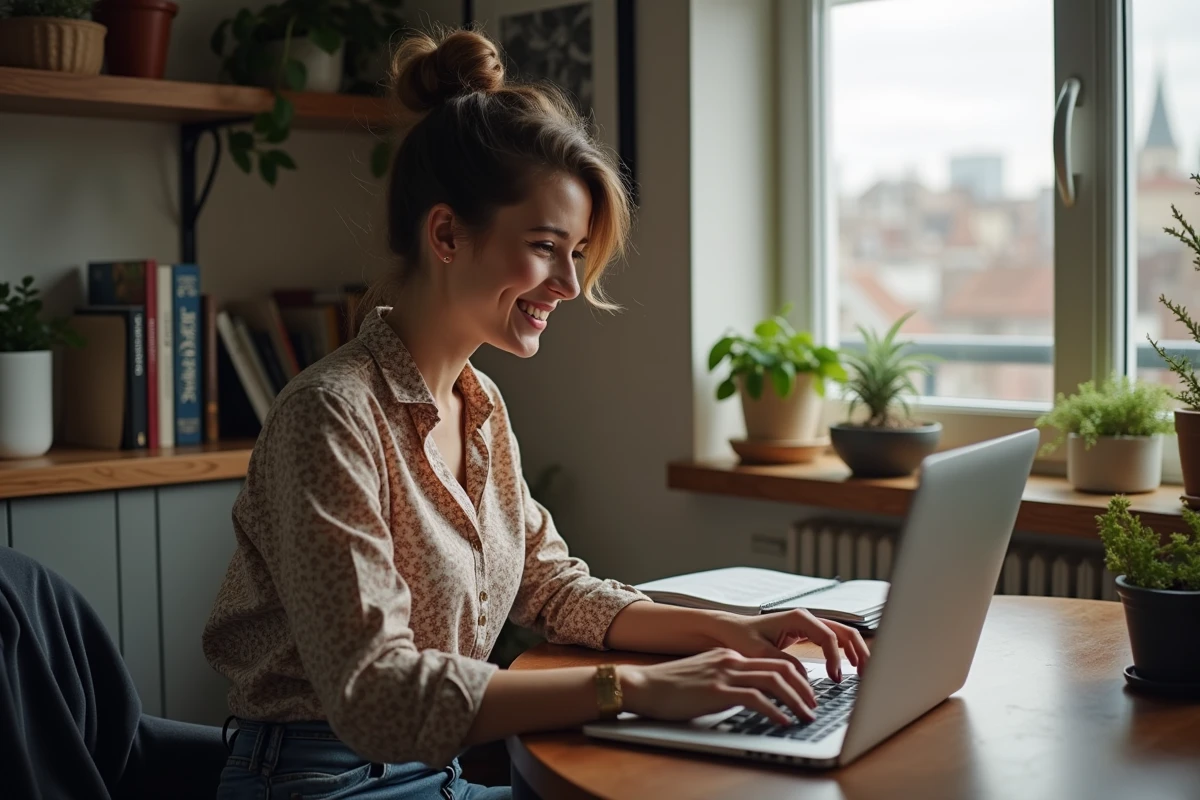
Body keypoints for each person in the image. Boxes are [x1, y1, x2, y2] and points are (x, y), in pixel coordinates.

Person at [202, 26, 870, 800]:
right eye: (548, 246)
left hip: (434, 776)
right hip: (322, 783)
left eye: (578, 252)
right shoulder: (330, 418)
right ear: (447, 233)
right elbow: (376, 693)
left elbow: (554, 589)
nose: (569, 283)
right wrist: (639, 689)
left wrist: (732, 631)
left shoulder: (480, 406)